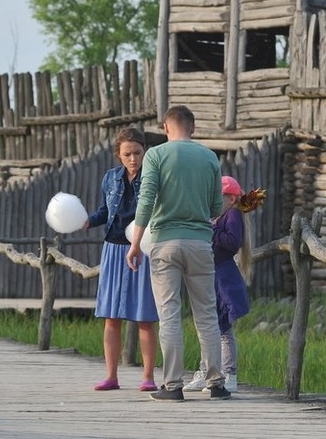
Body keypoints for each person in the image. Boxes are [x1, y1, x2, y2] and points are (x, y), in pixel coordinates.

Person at [127, 104, 229, 401]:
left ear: (165, 127)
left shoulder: (156, 155)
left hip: (165, 243)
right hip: (200, 243)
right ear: (193, 128)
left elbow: (145, 201)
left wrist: (135, 244)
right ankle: (216, 383)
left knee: (169, 314)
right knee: (207, 314)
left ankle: (173, 385)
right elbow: (216, 208)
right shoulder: (209, 157)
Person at [84, 127, 159, 392]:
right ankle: (111, 376)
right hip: (114, 249)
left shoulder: (153, 177)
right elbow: (105, 211)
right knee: (111, 316)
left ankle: (148, 377)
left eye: (137, 153)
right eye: (127, 154)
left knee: (145, 316)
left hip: (143, 249)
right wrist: (88, 221)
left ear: (145, 151)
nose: (133, 159)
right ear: (118, 154)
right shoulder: (110, 178)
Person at [183, 175, 258, 393]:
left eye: (219, 197)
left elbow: (232, 243)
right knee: (208, 327)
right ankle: (206, 371)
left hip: (223, 277)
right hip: (210, 276)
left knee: (223, 329)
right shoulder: (217, 216)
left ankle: (229, 374)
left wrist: (212, 230)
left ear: (232, 199)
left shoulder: (232, 215)